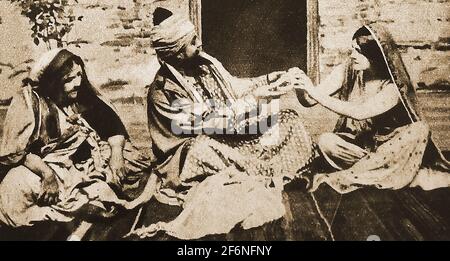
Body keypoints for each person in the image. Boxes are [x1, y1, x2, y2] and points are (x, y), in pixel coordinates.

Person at [132, 8, 315, 240]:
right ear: (177, 54)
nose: (200, 43)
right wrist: (255, 99)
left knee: (288, 118)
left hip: (226, 131)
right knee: (203, 147)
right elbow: (207, 123)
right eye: (192, 42)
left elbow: (235, 87)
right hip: (190, 148)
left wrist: (270, 79)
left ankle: (258, 165)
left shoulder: (205, 63)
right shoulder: (163, 90)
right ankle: (261, 168)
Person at [0, 49, 157, 232]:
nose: (77, 83)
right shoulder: (31, 101)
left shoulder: (81, 96)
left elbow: (112, 126)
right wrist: (47, 174)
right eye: (69, 80)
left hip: (81, 164)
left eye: (79, 75)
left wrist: (116, 154)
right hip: (41, 165)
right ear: (54, 82)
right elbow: (16, 151)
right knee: (15, 192)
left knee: (125, 183)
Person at [294, 24, 450, 193]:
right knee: (325, 141)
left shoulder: (394, 87)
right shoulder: (349, 69)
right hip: (363, 146)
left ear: (376, 56)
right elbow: (309, 100)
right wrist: (298, 84)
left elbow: (360, 112)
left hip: (393, 148)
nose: (353, 55)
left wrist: (312, 92)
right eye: (352, 49)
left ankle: (370, 171)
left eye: (359, 51)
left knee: (420, 129)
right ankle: (381, 171)